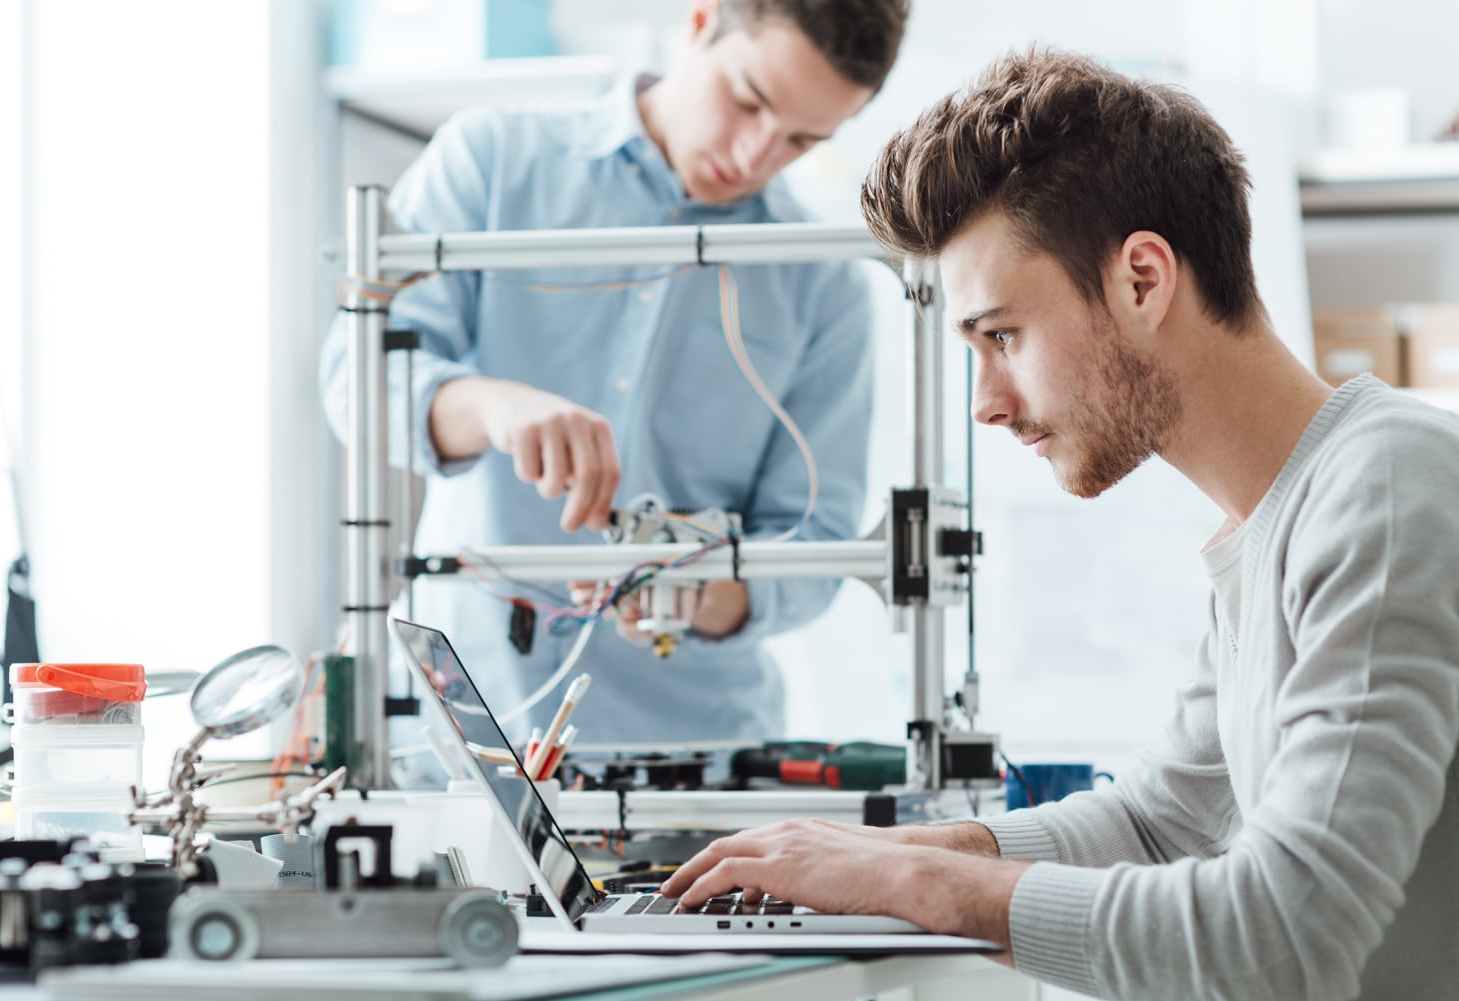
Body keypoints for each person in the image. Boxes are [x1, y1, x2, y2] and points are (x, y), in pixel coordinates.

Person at [661, 48, 1459, 1001]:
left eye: (1003, 335)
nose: (986, 404)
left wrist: (919, 882)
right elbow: (1166, 822)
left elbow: (1285, 935)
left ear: (1143, 279)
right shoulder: (1275, 515)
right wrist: (900, 850)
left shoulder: (1388, 486)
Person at [320, 0, 909, 762]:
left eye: (803, 139)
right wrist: (494, 406)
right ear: (700, 22)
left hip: (691, 760)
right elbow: (355, 381)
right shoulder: (494, 159)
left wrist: (703, 595)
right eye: (748, 100)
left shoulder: (823, 280)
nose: (757, 153)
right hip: (458, 729)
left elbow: (815, 541)